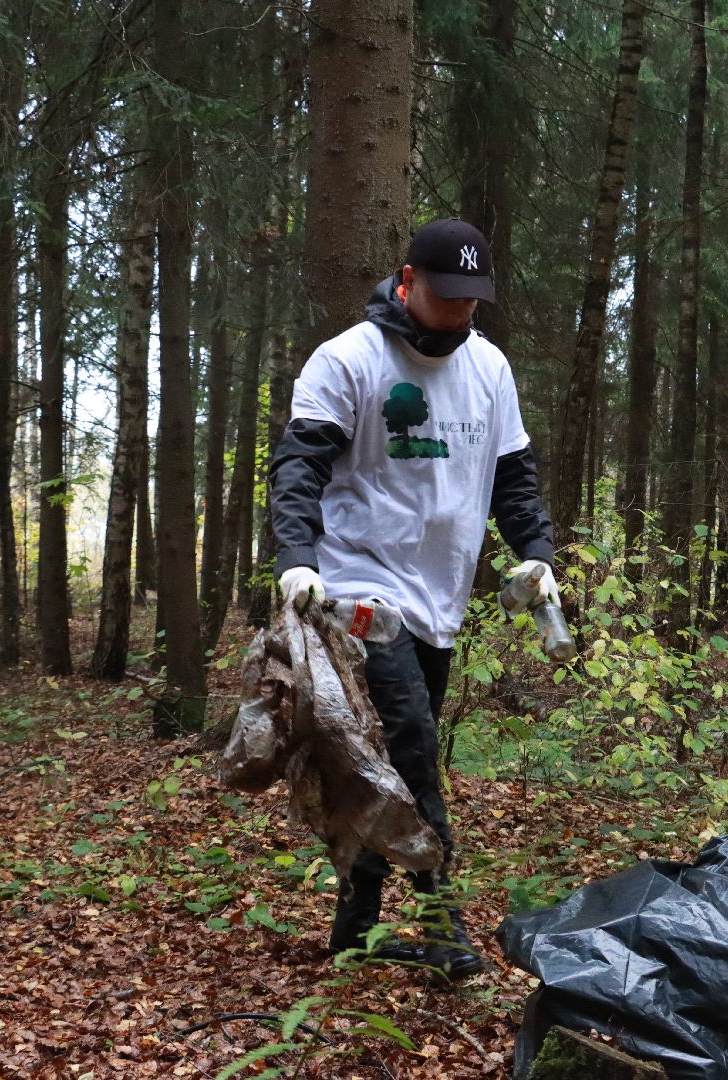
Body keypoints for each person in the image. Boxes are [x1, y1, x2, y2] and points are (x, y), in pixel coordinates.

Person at [269, 218, 558, 980]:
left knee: (382, 763)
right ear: (407, 282)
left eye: (472, 299)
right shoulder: (349, 360)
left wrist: (536, 552)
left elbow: (514, 478)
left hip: (439, 599)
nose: (460, 311)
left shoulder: (490, 369)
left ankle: (356, 928)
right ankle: (443, 924)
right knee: (414, 751)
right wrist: (297, 560)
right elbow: (298, 469)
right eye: (446, 295)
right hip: (359, 589)